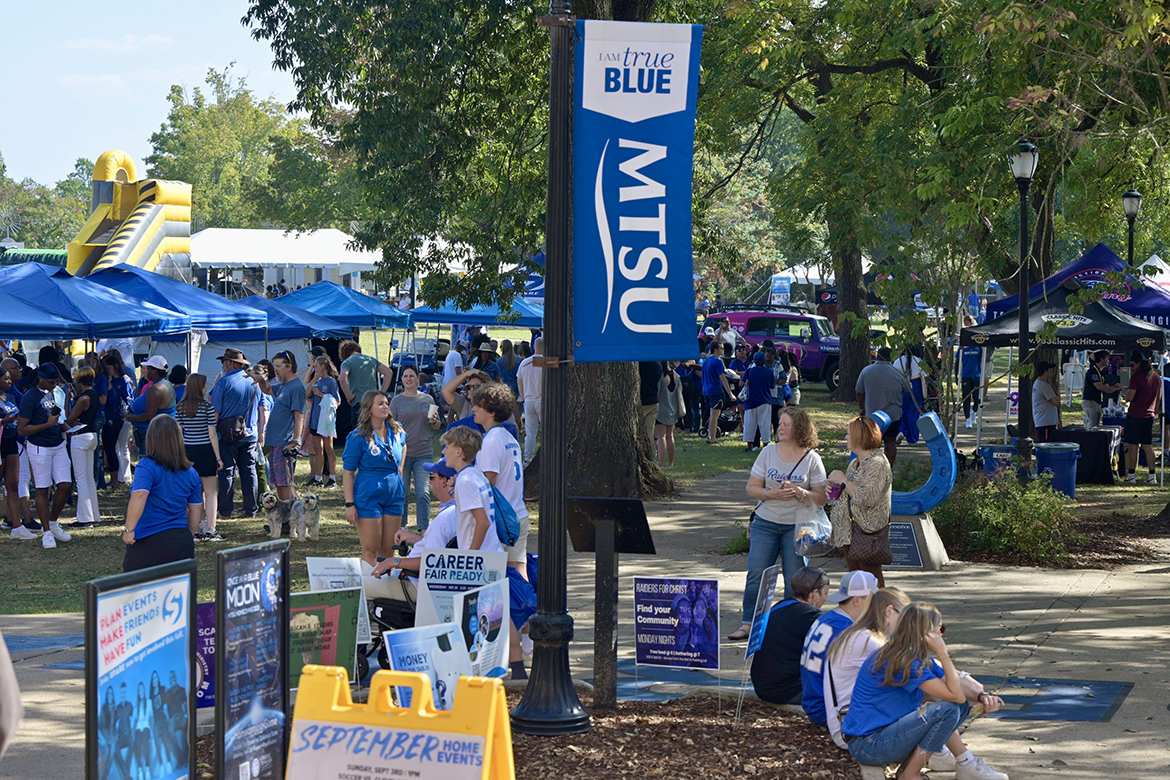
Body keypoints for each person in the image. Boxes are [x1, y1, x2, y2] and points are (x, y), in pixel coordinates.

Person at [841, 602, 1008, 780]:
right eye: (940, 629)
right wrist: (943, 653)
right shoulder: (904, 662)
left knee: (959, 707)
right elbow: (956, 696)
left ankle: (917, 768)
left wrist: (982, 697)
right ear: (926, 633)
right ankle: (910, 774)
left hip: (880, 738)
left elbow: (955, 686)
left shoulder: (914, 656)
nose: (941, 635)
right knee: (947, 710)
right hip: (868, 746)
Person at [729, 407, 828, 641]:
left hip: (799, 527)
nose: (779, 428)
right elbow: (751, 488)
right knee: (757, 573)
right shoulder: (768, 453)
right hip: (766, 522)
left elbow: (822, 498)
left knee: (795, 578)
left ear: (799, 428)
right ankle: (749, 623)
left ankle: (788, 626)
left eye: (785, 424)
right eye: (779, 423)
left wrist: (801, 492)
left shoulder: (811, 458)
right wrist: (771, 493)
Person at [366, 457, 466, 602]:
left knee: (361, 584)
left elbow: (431, 561)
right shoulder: (461, 510)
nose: (430, 481)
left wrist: (393, 562)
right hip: (428, 581)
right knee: (366, 576)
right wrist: (415, 538)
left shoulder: (444, 518)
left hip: (418, 584)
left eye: (432, 477)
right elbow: (443, 547)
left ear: (444, 481)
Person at [823, 587, 912, 749]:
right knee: (930, 698)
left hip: (851, 721)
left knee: (932, 693)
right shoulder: (868, 641)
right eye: (904, 617)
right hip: (851, 730)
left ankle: (947, 755)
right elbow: (910, 674)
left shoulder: (860, 633)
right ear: (889, 611)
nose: (906, 625)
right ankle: (944, 756)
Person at [122, 416, 204, 572]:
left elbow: (139, 495)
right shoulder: (192, 472)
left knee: (135, 591)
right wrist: (188, 535)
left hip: (149, 540)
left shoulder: (147, 466)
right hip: (181, 539)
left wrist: (129, 530)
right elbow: (196, 509)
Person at [799, 570, 879, 726]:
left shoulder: (827, 618)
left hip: (815, 703)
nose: (876, 603)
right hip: (832, 710)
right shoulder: (849, 631)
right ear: (857, 600)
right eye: (872, 598)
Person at [343, 390, 407, 574]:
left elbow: (404, 445)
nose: (385, 406)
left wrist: (400, 468)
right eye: (380, 403)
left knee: (388, 550)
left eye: (386, 403)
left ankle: (385, 595)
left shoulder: (396, 429)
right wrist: (349, 504)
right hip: (369, 494)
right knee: (371, 550)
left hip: (394, 494)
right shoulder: (358, 437)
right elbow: (348, 473)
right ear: (368, 408)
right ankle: (370, 593)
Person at [472, 382, 530, 579]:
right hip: (518, 514)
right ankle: (528, 610)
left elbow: (488, 483)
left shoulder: (490, 440)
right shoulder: (509, 437)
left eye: (478, 405)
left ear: (491, 411)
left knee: (491, 578)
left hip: (501, 520)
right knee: (519, 576)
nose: (473, 409)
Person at [749, 567, 830, 705]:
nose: (826, 599)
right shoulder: (812, 616)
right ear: (815, 594)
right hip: (787, 691)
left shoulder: (779, 606)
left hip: (762, 686)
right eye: (825, 594)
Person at [828, 416, 894, 587]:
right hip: (850, 532)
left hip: (867, 533)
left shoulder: (877, 463)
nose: (846, 438)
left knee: (870, 582)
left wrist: (844, 481)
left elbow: (866, 498)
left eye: (849, 434)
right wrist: (835, 488)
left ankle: (878, 612)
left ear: (860, 436)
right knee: (857, 582)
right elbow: (849, 492)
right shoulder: (856, 463)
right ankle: (863, 612)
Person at [17, 363, 72, 549]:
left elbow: (58, 418)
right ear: (40, 378)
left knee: (65, 484)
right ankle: (46, 532)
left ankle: (53, 522)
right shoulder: (29, 398)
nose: (55, 384)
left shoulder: (54, 392)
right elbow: (22, 429)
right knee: (42, 488)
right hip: (39, 446)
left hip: (57, 443)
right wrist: (47, 425)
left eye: (56, 381)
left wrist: (70, 429)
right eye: (51, 381)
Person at [210, 349, 261, 520]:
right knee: (249, 472)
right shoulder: (254, 381)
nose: (223, 364)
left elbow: (216, 412)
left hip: (228, 434)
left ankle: (225, 510)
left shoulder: (223, 382)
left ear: (230, 363)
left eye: (224, 361)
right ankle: (251, 509)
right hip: (250, 433)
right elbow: (261, 408)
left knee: (227, 472)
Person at [390, 364, 442, 529]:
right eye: (405, 376)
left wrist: (434, 421)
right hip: (403, 454)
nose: (408, 379)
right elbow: (390, 426)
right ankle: (402, 527)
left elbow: (437, 425)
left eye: (411, 376)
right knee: (402, 493)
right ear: (402, 379)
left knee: (423, 492)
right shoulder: (396, 401)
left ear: (417, 378)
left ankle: (423, 528)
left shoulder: (427, 399)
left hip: (424, 452)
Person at [177, 374, 224, 542]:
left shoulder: (180, 407)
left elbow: (179, 433)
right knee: (211, 492)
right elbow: (212, 435)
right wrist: (218, 458)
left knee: (194, 492)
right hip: (205, 450)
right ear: (201, 388)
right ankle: (211, 529)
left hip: (188, 451)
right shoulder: (207, 408)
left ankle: (196, 528)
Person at [258, 351, 306, 505]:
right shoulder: (284, 385)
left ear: (289, 366)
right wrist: (259, 378)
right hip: (275, 441)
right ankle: (289, 517)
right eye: (275, 366)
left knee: (285, 483)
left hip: (284, 442)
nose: (275, 369)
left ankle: (290, 518)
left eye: (278, 366)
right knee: (279, 482)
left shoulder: (296, 387)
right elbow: (268, 389)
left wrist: (295, 441)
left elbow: (299, 416)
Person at [856, 347, 910, 465]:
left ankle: (869, 467)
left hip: (872, 415)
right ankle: (889, 467)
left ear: (878, 356)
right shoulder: (897, 372)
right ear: (891, 357)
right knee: (890, 441)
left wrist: (861, 407)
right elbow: (908, 389)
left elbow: (860, 392)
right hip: (893, 414)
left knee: (872, 443)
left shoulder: (866, 371)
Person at [64, 366, 101, 528]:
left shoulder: (83, 399)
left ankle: (85, 518)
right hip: (92, 435)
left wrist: (67, 399)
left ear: (79, 381)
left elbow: (68, 418)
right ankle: (94, 515)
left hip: (80, 437)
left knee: (81, 478)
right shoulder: (94, 396)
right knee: (89, 478)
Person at [0, 369, 30, 540]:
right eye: (5, 379)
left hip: (11, 442)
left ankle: (17, 527)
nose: (9, 382)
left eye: (10, 379)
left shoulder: (10, 398)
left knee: (13, 484)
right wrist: (4, 421)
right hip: (0, 443)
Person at [1124, 351, 1162, 484]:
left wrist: (1124, 396)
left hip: (1135, 414)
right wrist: (1155, 411)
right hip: (1149, 414)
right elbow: (1158, 397)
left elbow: (1130, 397)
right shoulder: (1157, 377)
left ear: (1139, 362)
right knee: (1148, 445)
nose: (1131, 365)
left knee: (1133, 445)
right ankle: (1152, 476)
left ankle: (1131, 475)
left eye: (1133, 363)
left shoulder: (1136, 377)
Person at [126, 355, 177, 452]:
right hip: (158, 431)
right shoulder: (166, 384)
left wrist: (131, 418)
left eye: (148, 369)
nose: (145, 371)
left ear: (155, 371)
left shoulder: (156, 389)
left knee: (151, 462)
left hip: (152, 433)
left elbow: (149, 415)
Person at [339, 340, 394, 428]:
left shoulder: (347, 362)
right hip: (373, 402)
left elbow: (342, 379)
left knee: (359, 432)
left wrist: (348, 396)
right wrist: (382, 392)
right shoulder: (370, 359)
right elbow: (388, 372)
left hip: (358, 402)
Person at [305, 355, 341, 489]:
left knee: (328, 448)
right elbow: (306, 394)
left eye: (316, 366)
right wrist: (314, 379)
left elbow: (337, 402)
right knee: (317, 449)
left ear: (323, 367)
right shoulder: (317, 381)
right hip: (315, 419)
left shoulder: (330, 382)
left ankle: (332, 478)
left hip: (325, 421)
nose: (314, 369)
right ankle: (318, 478)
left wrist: (322, 395)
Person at [100, 353, 134, 487]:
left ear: (115, 367)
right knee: (114, 447)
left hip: (122, 418)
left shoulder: (124, 381)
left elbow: (128, 399)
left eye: (108, 368)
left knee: (123, 446)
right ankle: (119, 476)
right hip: (111, 417)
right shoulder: (108, 381)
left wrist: (126, 413)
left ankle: (124, 476)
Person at [516, 337, 543, 465]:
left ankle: (527, 458)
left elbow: (519, 381)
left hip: (529, 400)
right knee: (547, 430)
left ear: (534, 347)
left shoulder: (524, 363)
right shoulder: (546, 362)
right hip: (543, 400)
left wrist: (524, 397)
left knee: (530, 433)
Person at [742, 351, 775, 452]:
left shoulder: (749, 371)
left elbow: (741, 383)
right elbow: (772, 386)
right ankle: (765, 445)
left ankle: (749, 446)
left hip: (751, 401)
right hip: (765, 401)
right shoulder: (769, 371)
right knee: (765, 424)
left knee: (749, 424)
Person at [702, 342, 733, 444]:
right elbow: (723, 378)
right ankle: (712, 437)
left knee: (712, 414)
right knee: (714, 415)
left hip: (706, 391)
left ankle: (711, 435)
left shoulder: (705, 361)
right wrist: (730, 393)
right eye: (721, 348)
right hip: (715, 390)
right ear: (715, 349)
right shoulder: (718, 362)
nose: (723, 351)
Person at [956, 321, 985, 428]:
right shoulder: (962, 348)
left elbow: (985, 358)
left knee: (977, 398)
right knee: (966, 398)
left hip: (977, 375)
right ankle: (967, 418)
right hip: (966, 376)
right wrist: (956, 376)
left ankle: (974, 412)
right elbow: (957, 362)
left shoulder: (979, 347)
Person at [1083, 350, 1122, 428]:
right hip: (1091, 402)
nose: (1109, 361)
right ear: (1101, 359)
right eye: (1107, 359)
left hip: (1097, 402)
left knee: (1096, 425)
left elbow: (1106, 388)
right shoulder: (1093, 371)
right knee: (1092, 426)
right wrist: (1112, 388)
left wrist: (1115, 388)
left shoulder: (1101, 373)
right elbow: (1100, 386)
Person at [894, 348, 924, 443]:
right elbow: (925, 376)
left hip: (903, 386)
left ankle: (902, 430)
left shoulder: (898, 361)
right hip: (916, 385)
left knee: (902, 410)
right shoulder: (918, 360)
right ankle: (913, 438)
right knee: (914, 413)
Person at [654, 362, 680, 467]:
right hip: (673, 409)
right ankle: (670, 462)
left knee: (661, 436)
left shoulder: (661, 377)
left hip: (661, 409)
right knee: (670, 436)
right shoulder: (675, 375)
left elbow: (657, 392)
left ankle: (660, 462)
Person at [1031, 361, 1060, 443]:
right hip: (1046, 422)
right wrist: (1053, 399)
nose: (1051, 371)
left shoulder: (1037, 383)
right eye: (1050, 369)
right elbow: (1056, 402)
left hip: (1042, 420)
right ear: (1045, 371)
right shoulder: (1044, 385)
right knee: (1047, 444)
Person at [495, 339, 522, 424]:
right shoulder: (518, 360)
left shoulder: (500, 361)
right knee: (515, 411)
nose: (500, 348)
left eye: (501, 346)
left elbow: (498, 376)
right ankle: (518, 428)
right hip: (515, 387)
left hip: (504, 388)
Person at [638, 361, 663, 450]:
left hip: (640, 400)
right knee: (650, 431)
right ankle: (649, 453)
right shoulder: (657, 366)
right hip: (653, 400)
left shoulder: (639, 365)